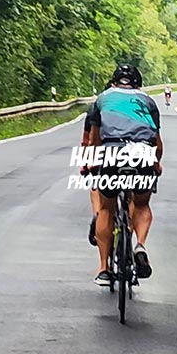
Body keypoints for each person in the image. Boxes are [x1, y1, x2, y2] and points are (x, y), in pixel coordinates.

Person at [87, 64, 163, 287]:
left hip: (111, 153)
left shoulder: (102, 99)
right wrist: (156, 163)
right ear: (138, 84)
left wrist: (93, 162)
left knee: (106, 209)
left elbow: (94, 139)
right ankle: (140, 245)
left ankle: (104, 269)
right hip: (142, 154)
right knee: (141, 204)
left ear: (114, 82)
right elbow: (156, 141)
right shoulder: (148, 101)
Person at [81, 79, 115, 247]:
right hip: (131, 155)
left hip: (102, 155)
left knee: (95, 181)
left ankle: (97, 214)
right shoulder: (133, 107)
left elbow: (87, 140)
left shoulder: (96, 108)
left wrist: (85, 163)